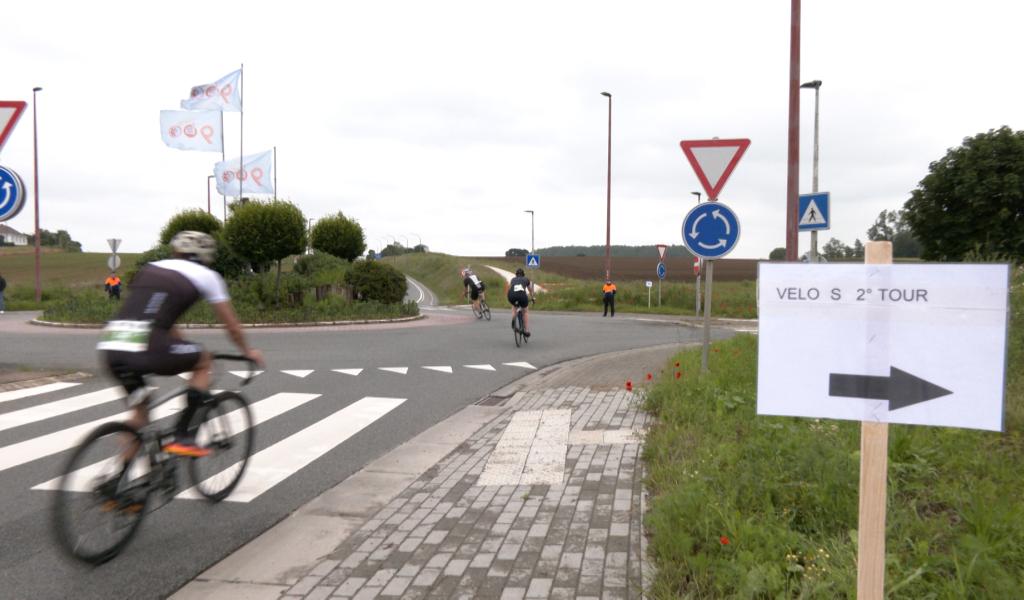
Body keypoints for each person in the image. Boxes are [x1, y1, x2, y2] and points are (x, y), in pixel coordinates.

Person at [97, 231, 264, 457]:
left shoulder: (150, 268)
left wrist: (182, 346)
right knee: (203, 360)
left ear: (176, 251)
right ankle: (184, 437)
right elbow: (232, 327)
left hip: (112, 345)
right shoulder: (207, 276)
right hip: (149, 345)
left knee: (140, 414)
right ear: (206, 256)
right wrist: (248, 351)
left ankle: (117, 485)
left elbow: (156, 316)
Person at [505, 267, 534, 337]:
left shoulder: (513, 279)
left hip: (511, 296)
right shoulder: (526, 279)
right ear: (523, 274)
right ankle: (526, 330)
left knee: (514, 308)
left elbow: (510, 288)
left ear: (516, 275)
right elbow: (530, 290)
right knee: (525, 311)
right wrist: (533, 297)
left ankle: (514, 319)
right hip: (522, 296)